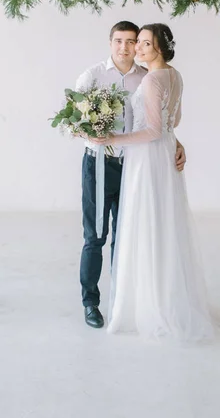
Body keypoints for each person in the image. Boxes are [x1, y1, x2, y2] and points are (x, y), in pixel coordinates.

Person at [91, 23, 213, 341]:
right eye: (138, 43)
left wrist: (112, 138)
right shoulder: (175, 75)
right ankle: (165, 294)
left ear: (159, 47)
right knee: (164, 222)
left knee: (144, 222)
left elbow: (153, 131)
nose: (138, 49)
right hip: (164, 155)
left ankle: (148, 303)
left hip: (146, 158)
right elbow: (174, 121)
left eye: (145, 44)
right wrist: (175, 141)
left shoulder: (150, 80)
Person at [76, 21, 187, 329]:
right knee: (95, 236)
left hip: (135, 166)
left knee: (127, 237)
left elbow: (161, 123)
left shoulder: (146, 75)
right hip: (100, 164)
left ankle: (123, 301)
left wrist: (177, 145)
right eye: (120, 41)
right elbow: (73, 119)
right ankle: (91, 303)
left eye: (134, 41)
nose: (127, 47)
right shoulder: (93, 75)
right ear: (110, 43)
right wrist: (93, 133)